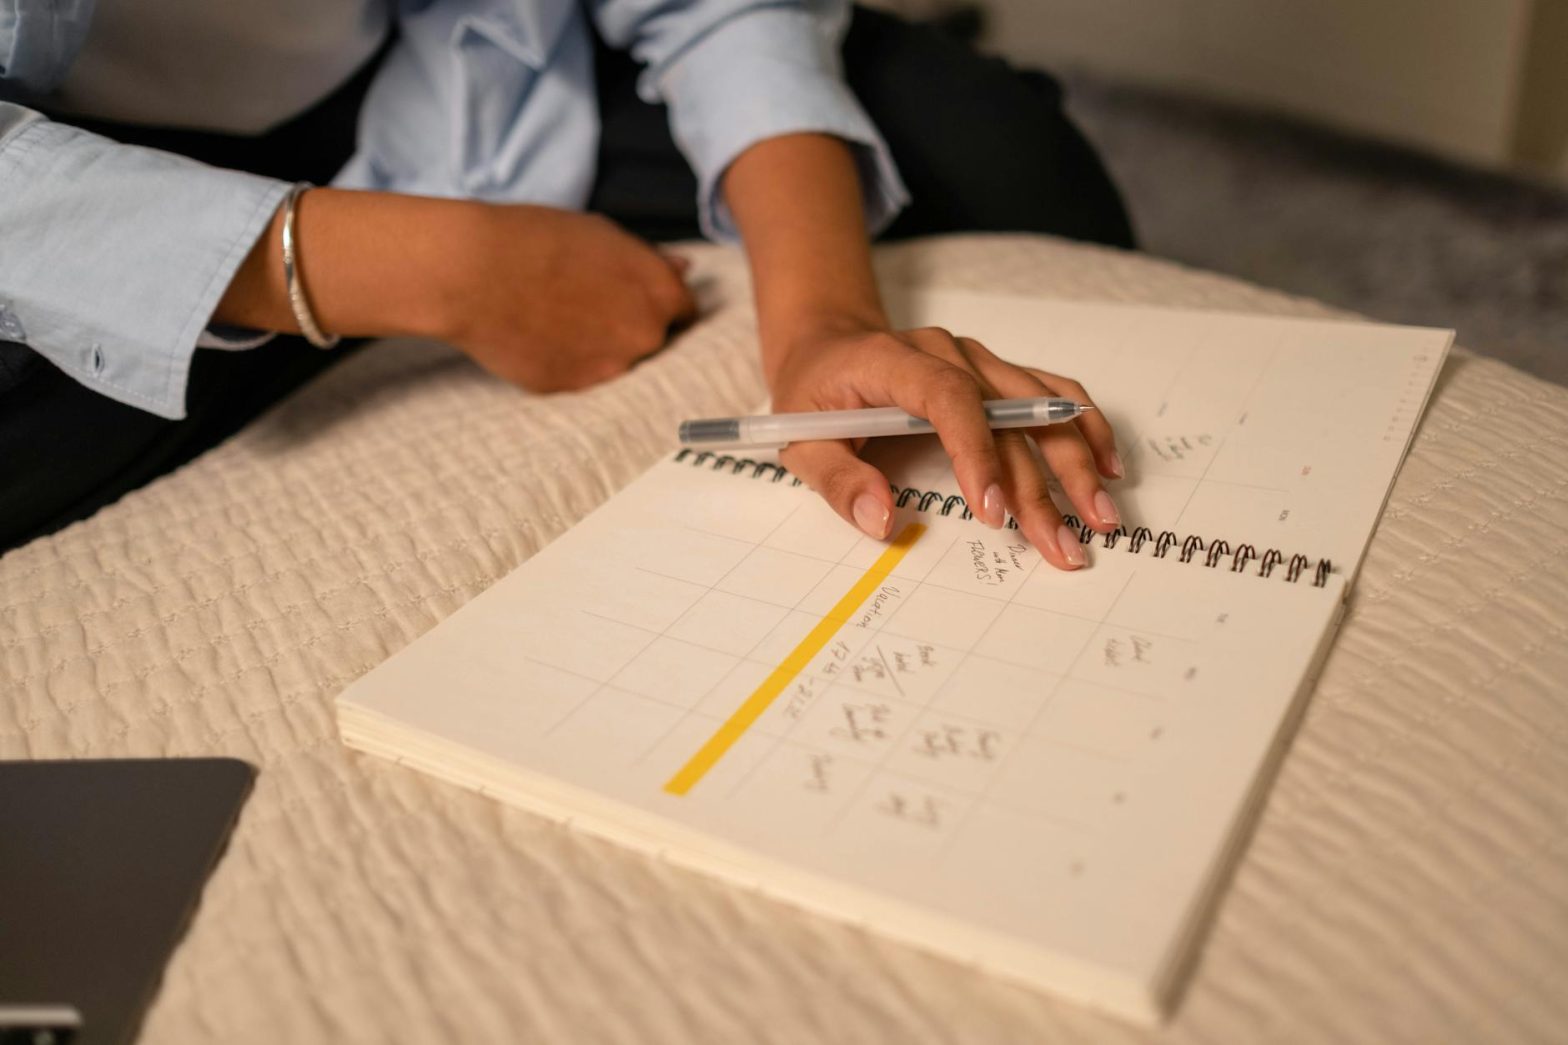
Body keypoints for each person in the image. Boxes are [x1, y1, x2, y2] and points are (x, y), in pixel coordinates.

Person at [0, 0, 1135, 564]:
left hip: (468, 57)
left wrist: (820, 321)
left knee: (1004, 159)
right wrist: (428, 270)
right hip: (61, 192)